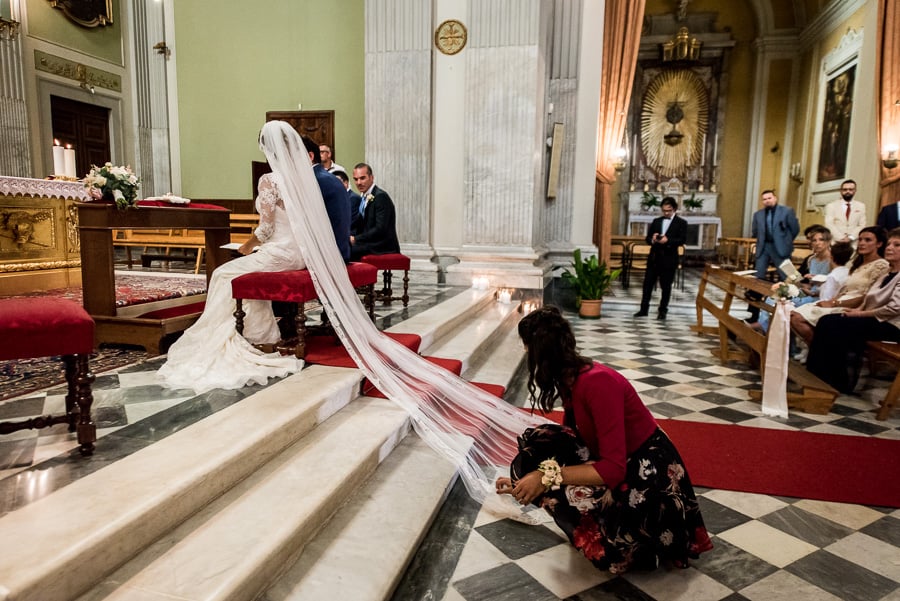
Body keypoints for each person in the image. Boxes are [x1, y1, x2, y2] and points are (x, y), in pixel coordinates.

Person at [249, 120, 544, 520]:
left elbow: (311, 231)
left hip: (320, 253)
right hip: (318, 251)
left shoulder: (311, 184)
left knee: (227, 277)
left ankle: (261, 333)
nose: (357, 179)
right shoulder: (321, 182)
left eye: (362, 176)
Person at [496, 306, 712, 574]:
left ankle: (632, 544)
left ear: (542, 353)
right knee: (542, 441)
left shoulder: (597, 383)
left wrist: (544, 478)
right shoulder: (569, 377)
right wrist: (525, 480)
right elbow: (573, 440)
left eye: (528, 348)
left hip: (646, 470)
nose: (527, 355)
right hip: (617, 458)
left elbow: (613, 468)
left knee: (557, 482)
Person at [157, 168, 306, 394]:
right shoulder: (301, 181)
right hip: (298, 255)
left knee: (222, 274)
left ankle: (228, 337)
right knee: (249, 278)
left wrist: (247, 247)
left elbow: (266, 229)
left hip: (279, 254)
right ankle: (261, 333)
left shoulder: (270, 180)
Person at [807, 227, 900, 393]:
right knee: (827, 321)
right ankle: (817, 377)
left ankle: (837, 381)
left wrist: (859, 314)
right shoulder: (889, 271)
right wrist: (856, 311)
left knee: (835, 325)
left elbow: (893, 309)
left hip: (892, 325)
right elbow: (868, 298)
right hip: (875, 318)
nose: (889, 247)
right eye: (890, 243)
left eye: (897, 245)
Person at [790, 226, 889, 346]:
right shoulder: (857, 264)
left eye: (867, 240)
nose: (862, 243)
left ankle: (821, 352)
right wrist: (833, 300)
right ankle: (820, 350)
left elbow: (868, 297)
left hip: (855, 307)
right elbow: (845, 289)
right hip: (840, 300)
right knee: (792, 314)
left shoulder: (881, 265)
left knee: (798, 318)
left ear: (879, 244)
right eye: (860, 240)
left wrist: (834, 304)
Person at [747, 190, 799, 321]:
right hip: (764, 247)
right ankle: (753, 313)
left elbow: (795, 228)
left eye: (769, 198)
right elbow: (755, 231)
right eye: (764, 199)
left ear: (775, 198)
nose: (767, 201)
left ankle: (792, 309)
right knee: (757, 277)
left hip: (780, 247)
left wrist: (785, 241)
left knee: (788, 276)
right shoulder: (758, 214)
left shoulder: (787, 211)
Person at [634, 196, 687, 320]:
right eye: (664, 210)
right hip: (654, 257)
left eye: (668, 210)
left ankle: (662, 311)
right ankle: (643, 309)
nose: (666, 213)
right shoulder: (657, 221)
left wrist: (668, 240)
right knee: (647, 284)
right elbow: (647, 238)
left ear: (674, 209)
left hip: (669, 259)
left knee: (666, 286)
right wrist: (652, 239)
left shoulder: (681, 223)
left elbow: (682, 239)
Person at [350, 162, 400, 261]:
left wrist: (356, 239)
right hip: (369, 242)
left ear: (371, 177)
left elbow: (380, 228)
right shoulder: (364, 196)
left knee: (347, 251)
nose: (359, 182)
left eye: (362, 178)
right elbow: (358, 224)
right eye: (356, 179)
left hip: (382, 245)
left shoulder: (380, 196)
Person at [824, 179, 867, 244]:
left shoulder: (861, 206)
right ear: (841, 191)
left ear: (855, 191)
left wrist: (851, 237)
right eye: (845, 189)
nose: (848, 191)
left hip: (853, 243)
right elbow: (829, 224)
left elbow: (862, 225)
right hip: (836, 243)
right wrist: (841, 238)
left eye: (850, 189)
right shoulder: (831, 206)